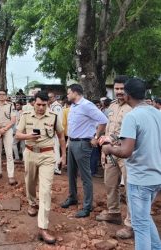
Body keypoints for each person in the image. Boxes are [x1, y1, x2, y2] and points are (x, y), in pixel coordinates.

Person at [100, 78, 161, 250]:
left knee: (140, 225)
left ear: (127, 95)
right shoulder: (157, 113)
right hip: (155, 176)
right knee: (144, 218)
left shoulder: (132, 116)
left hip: (140, 179)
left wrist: (109, 149)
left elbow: (126, 151)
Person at [15, 91, 66, 244]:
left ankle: (43, 227)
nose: (41, 108)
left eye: (44, 105)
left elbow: (61, 136)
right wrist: (28, 136)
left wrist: (63, 156)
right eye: (38, 104)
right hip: (30, 153)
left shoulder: (54, 116)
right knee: (30, 182)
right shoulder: (26, 115)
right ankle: (32, 203)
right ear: (34, 103)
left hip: (47, 156)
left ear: (47, 104)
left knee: (45, 190)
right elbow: (17, 134)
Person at [61, 84, 108, 218]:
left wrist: (96, 137)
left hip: (83, 143)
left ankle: (87, 207)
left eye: (69, 93)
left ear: (75, 93)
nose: (67, 95)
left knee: (85, 176)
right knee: (71, 173)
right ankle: (72, 197)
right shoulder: (74, 106)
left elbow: (103, 120)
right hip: (73, 142)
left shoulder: (87, 105)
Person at [95, 75, 133, 239]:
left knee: (131, 189)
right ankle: (114, 212)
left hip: (127, 153)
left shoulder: (134, 107)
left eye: (122, 89)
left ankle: (131, 224)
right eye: (116, 88)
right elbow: (109, 129)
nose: (118, 92)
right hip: (111, 151)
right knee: (110, 183)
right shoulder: (111, 106)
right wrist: (104, 148)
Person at [0, 89, 17, 185]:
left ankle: (11, 176)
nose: (1, 96)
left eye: (3, 94)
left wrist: (4, 130)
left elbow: (13, 120)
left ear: (6, 96)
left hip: (7, 130)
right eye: (0, 94)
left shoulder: (10, 106)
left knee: (9, 153)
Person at [48, 92, 63, 175]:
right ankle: (54, 167)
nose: (50, 99)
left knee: (56, 149)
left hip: (56, 131)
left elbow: (59, 120)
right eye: (49, 97)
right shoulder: (52, 106)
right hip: (52, 131)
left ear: (55, 97)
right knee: (53, 149)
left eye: (51, 97)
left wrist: (56, 130)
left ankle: (57, 168)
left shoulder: (57, 106)